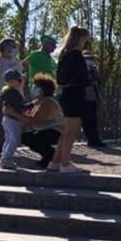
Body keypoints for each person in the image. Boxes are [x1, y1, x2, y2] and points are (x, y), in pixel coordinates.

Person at [4, 74, 63, 169]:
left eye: (36, 86)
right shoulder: (38, 101)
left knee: (32, 138)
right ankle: (47, 157)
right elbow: (27, 117)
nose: (33, 88)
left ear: (43, 90)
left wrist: (13, 113)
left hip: (56, 131)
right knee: (26, 137)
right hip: (44, 130)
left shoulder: (48, 102)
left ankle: (53, 157)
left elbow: (32, 120)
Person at [53, 26, 91, 174]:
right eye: (86, 39)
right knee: (71, 131)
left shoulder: (65, 54)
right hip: (74, 94)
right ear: (81, 38)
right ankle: (65, 163)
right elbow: (80, 78)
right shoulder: (76, 55)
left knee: (66, 131)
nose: (87, 42)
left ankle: (55, 161)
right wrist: (89, 79)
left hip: (66, 93)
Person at [0, 69, 26, 170]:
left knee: (8, 139)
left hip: (6, 118)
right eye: (18, 79)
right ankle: (6, 159)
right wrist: (31, 106)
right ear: (10, 81)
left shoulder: (6, 92)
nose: (20, 81)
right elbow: (19, 108)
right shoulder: (13, 93)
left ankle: (4, 157)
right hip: (13, 119)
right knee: (14, 139)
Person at [80, 51, 106, 148]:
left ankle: (96, 139)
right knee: (86, 120)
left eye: (91, 59)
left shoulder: (93, 69)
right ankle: (90, 140)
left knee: (93, 119)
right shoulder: (80, 69)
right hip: (84, 97)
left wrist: (95, 75)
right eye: (88, 59)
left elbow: (99, 80)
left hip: (93, 97)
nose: (90, 61)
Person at [21, 35, 57, 100]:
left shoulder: (49, 57)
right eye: (52, 45)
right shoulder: (36, 54)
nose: (55, 47)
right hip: (37, 87)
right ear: (45, 44)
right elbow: (23, 65)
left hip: (48, 88)